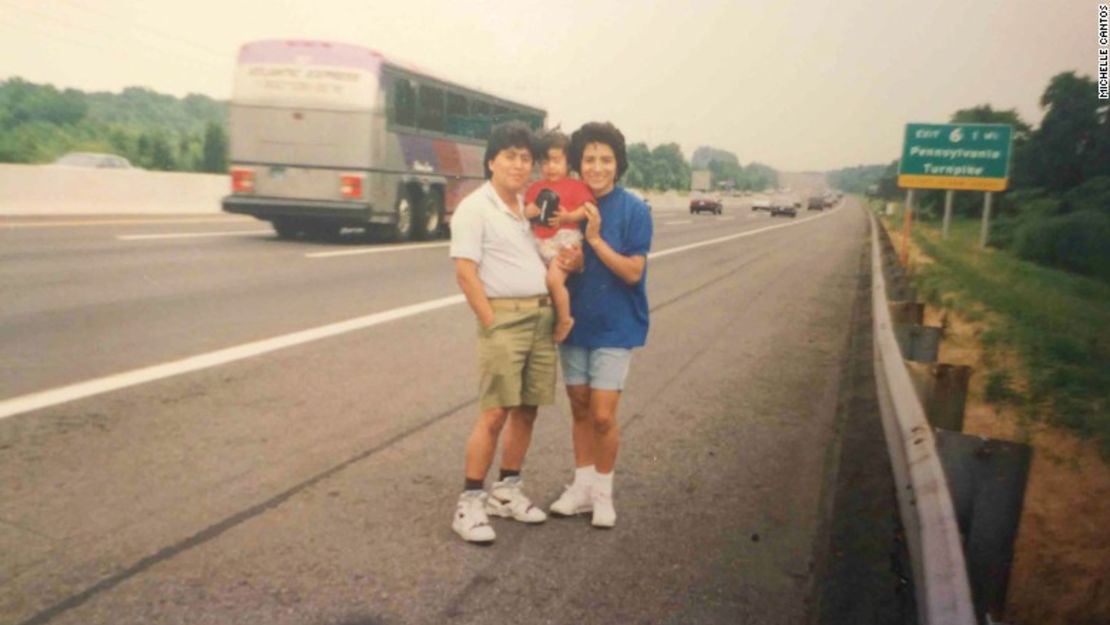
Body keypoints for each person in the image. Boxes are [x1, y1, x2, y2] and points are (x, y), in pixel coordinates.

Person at [448, 122, 556, 543]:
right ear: (491, 160)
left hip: (540, 318)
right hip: (503, 320)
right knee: (495, 411)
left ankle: (506, 491)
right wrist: (492, 325)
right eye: (510, 155)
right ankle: (470, 501)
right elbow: (465, 273)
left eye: (525, 158)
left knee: (527, 409)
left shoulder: (527, 208)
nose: (519, 164)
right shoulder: (476, 208)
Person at [548, 122, 652, 528]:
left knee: (603, 415)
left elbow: (632, 272)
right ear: (578, 163)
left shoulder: (634, 210)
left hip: (616, 326)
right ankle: (581, 488)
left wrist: (594, 241)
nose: (596, 166)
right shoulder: (566, 202)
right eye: (589, 159)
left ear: (618, 164)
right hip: (575, 323)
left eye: (605, 159)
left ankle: (603, 495)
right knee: (578, 407)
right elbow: (547, 249)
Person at [523, 130, 594, 343]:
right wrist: (532, 211)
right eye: (545, 162)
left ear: (568, 162)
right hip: (541, 242)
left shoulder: (576, 186)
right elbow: (525, 211)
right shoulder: (536, 187)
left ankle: (565, 319)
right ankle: (543, 322)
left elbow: (587, 209)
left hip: (565, 242)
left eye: (556, 161)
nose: (550, 167)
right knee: (538, 283)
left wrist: (568, 216)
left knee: (554, 280)